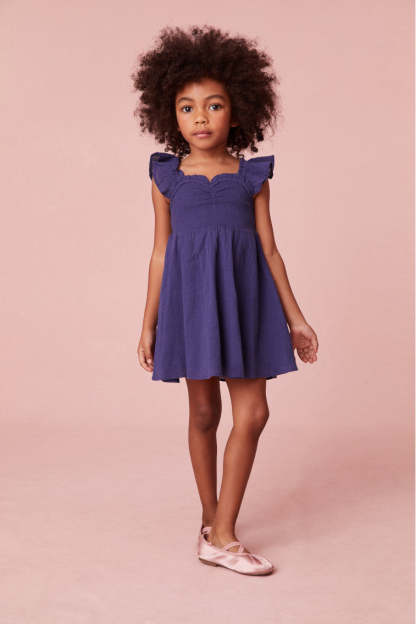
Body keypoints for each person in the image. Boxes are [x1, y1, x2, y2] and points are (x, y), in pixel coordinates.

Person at [132, 25, 318, 576]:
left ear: (236, 113)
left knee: (253, 413)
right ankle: (211, 522)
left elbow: (271, 250)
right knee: (203, 412)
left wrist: (296, 319)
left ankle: (223, 534)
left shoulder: (251, 177)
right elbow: (160, 253)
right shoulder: (166, 178)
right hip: (190, 304)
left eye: (213, 105)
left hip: (246, 302)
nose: (201, 117)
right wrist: (148, 324)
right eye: (187, 108)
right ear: (171, 116)